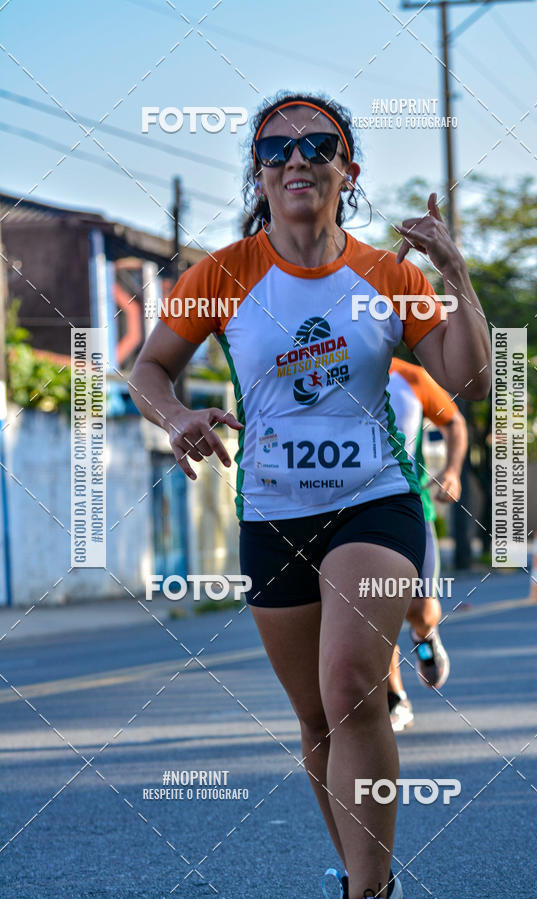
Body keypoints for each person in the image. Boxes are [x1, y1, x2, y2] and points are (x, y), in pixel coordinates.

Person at [129, 92, 491, 899]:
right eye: (276, 149)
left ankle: (367, 894)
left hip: (375, 500)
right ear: (258, 175)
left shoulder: (389, 274)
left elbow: (467, 378)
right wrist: (178, 413)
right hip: (272, 512)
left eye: (318, 145)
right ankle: (370, 876)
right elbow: (148, 369)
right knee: (317, 719)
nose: (297, 159)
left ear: (347, 170)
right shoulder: (221, 274)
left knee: (351, 684)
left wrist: (456, 275)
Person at [384, 359, 468, 733]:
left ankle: (424, 638)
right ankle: (394, 699)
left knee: (419, 607)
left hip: (411, 507)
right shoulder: (320, 369)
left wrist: (451, 471)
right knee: (373, 614)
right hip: (350, 515)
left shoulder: (410, 377)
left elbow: (453, 422)